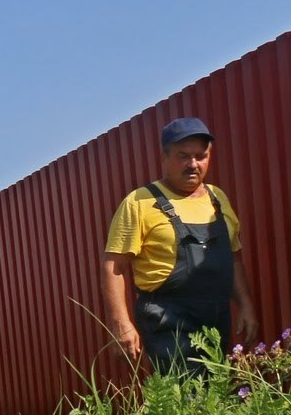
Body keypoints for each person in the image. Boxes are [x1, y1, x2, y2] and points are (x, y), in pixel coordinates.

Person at [102, 117, 258, 374]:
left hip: (216, 316)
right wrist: (120, 323)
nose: (193, 164)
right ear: (164, 157)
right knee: (184, 398)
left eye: (201, 156)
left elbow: (234, 259)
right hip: (167, 319)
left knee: (215, 397)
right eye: (183, 156)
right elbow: (114, 267)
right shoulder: (139, 202)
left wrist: (246, 306)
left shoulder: (217, 199)